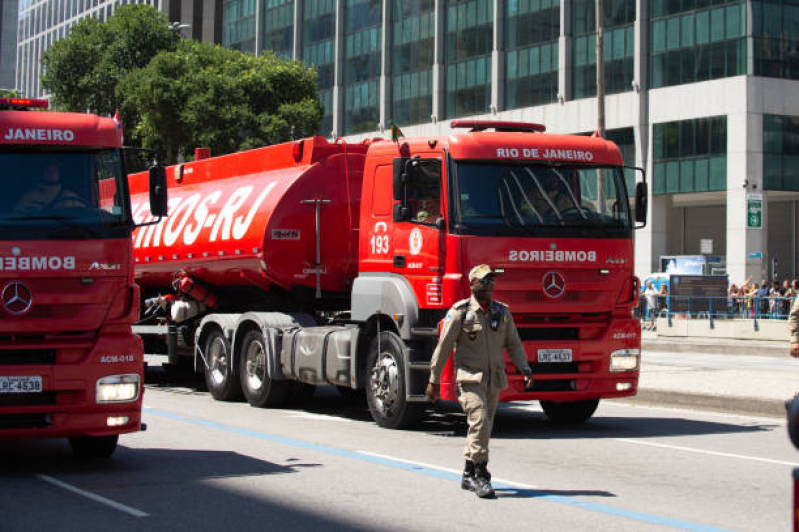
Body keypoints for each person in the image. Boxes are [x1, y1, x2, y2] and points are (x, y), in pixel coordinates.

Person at [425, 264, 533, 499]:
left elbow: (513, 343)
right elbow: (443, 347)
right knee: (480, 421)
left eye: (492, 281)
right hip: (470, 379)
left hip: (494, 379)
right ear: (473, 284)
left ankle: (467, 473)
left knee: (483, 427)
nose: (489, 285)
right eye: (484, 281)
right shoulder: (461, 312)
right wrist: (433, 380)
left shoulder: (501, 313)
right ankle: (480, 474)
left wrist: (524, 367)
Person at [14, 161, 86, 212]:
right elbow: (17, 218)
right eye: (47, 169)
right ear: (41, 172)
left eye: (54, 170)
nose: (51, 173)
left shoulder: (71, 197)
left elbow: (83, 217)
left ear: (59, 173)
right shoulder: (29, 197)